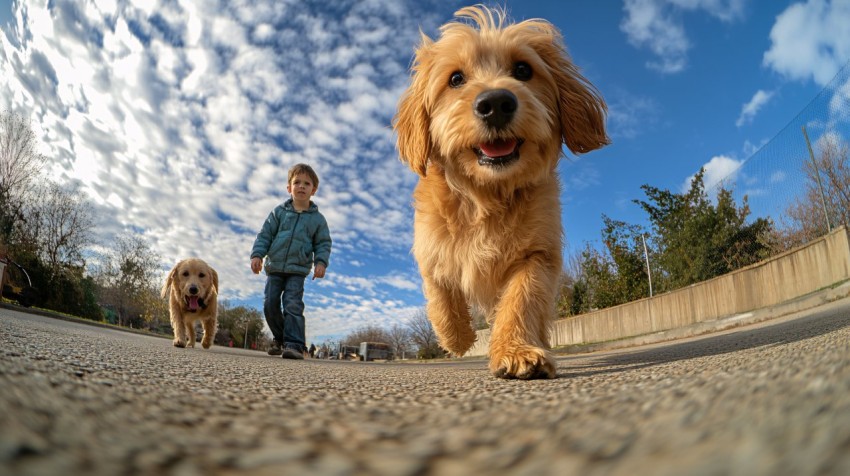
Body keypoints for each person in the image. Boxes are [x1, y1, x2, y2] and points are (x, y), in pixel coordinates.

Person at [250, 163, 332, 360]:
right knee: (270, 304)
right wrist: (257, 255)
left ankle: (294, 344)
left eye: (307, 183)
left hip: (298, 269)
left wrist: (320, 262)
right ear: (289, 188)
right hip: (275, 267)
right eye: (297, 182)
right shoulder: (279, 212)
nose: (301, 186)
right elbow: (265, 235)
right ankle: (280, 338)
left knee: (292, 304)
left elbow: (323, 243)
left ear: (314, 190)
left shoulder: (318, 220)